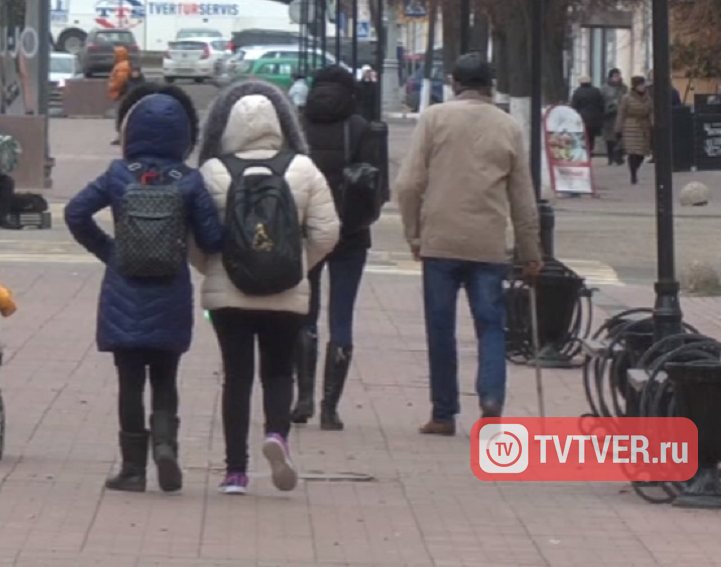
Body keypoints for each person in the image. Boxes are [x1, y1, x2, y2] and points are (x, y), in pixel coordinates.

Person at [65, 84, 225, 494]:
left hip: (124, 293)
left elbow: (76, 212)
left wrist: (110, 252)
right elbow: (211, 239)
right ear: (184, 137)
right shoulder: (189, 182)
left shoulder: (118, 176)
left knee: (130, 382)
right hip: (170, 291)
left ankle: (132, 469)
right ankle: (167, 446)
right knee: (166, 378)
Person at [193, 81, 340, 495]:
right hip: (286, 293)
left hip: (229, 294)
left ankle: (235, 472)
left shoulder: (213, 171)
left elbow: (194, 235)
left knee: (236, 377)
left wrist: (215, 268)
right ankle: (277, 435)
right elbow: (328, 232)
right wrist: (297, 266)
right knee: (279, 371)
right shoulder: (303, 169)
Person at [394, 52, 542, 434]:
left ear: (454, 83)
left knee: (440, 328)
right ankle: (491, 399)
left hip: (440, 241)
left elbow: (409, 184)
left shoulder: (434, 119)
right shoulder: (509, 126)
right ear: (490, 85)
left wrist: (414, 233)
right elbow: (523, 197)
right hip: (488, 244)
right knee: (491, 326)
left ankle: (444, 413)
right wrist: (531, 253)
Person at [294, 65, 384, 428]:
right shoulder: (361, 129)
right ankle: (330, 408)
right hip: (351, 235)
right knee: (342, 316)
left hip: (308, 232)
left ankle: (303, 399)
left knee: (305, 312)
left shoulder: (299, 125)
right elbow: (378, 187)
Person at [0, 0, 34, 115]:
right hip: (4, 24)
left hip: (16, 24)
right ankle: (3, 102)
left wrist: (16, 25)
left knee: (22, 69)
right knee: (2, 68)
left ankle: (29, 107)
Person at [617, 75, 654, 185]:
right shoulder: (627, 98)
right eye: (640, 85)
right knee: (633, 152)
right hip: (630, 126)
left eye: (643, 85)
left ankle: (636, 169)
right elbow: (621, 113)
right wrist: (618, 128)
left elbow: (651, 111)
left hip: (644, 127)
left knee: (642, 153)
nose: (642, 87)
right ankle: (633, 174)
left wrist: (653, 124)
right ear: (635, 86)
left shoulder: (648, 98)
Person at [570, 75, 606, 158]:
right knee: (591, 135)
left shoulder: (578, 92)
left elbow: (574, 105)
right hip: (594, 117)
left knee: (583, 135)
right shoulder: (596, 91)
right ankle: (590, 150)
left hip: (582, 117)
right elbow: (601, 105)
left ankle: (584, 151)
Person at [107, 46, 133, 146]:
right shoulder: (123, 65)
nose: (113, 56)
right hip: (121, 93)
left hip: (120, 94)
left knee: (120, 115)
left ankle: (121, 136)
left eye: (115, 54)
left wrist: (112, 87)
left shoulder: (122, 66)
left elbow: (120, 80)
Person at [601, 68, 627, 165]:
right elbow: (601, 101)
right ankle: (610, 157)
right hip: (609, 116)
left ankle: (619, 157)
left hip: (620, 115)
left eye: (618, 75)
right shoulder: (604, 88)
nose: (617, 78)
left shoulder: (623, 87)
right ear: (611, 77)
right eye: (615, 76)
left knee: (619, 137)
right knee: (609, 139)